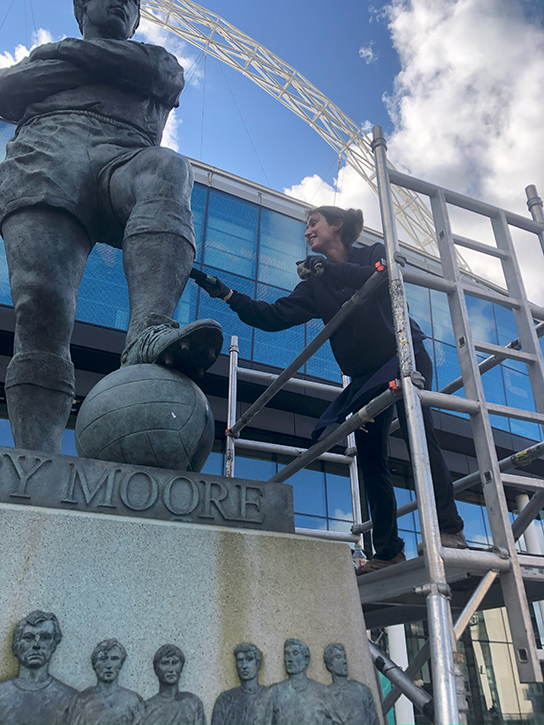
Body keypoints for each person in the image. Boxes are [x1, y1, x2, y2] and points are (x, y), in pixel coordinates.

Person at [0, 0, 222, 455]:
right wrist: (111, 67)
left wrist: (65, 57)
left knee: (167, 171)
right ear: (81, 7)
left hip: (124, 152)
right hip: (44, 159)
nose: (122, 2)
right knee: (41, 308)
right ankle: (36, 462)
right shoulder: (132, 62)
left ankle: (147, 331)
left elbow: (163, 75)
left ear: (138, 20)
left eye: (134, 2)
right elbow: (7, 91)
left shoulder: (154, 59)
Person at [195, 205, 466, 573]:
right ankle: (388, 551)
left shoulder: (373, 253)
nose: (307, 232)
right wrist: (228, 295)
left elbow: (382, 277)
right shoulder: (315, 285)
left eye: (313, 224)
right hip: (366, 379)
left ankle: (450, 529)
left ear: (336, 225)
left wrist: (330, 269)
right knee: (371, 459)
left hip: (405, 355)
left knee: (420, 436)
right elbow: (272, 317)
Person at [0, 610, 76, 725]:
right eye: (28, 637)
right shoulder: (2, 694)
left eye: (45, 637)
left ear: (54, 645)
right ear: (16, 646)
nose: (36, 645)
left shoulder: (71, 699)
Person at [65, 638, 143, 724]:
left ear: (120, 664)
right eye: (103, 659)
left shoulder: (133, 701)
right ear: (94, 665)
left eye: (114, 659)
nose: (108, 665)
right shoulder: (81, 700)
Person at [268, 639, 340, 725]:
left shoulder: (322, 691)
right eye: (287, 654)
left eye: (295, 654)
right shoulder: (275, 691)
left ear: (306, 659)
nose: (290, 659)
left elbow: (338, 722)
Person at [138, 644, 205, 725]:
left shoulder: (193, 703)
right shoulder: (146, 709)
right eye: (165, 663)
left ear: (181, 667)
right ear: (156, 669)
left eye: (175, 663)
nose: (170, 669)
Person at [211, 643, 272, 725]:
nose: (244, 665)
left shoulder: (270, 697)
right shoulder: (225, 700)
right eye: (240, 660)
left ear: (258, 664)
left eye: (249, 659)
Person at [323, 644, 379, 725]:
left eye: (344, 657)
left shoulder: (362, 690)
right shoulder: (325, 696)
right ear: (329, 665)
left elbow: (374, 720)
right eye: (338, 657)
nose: (344, 661)